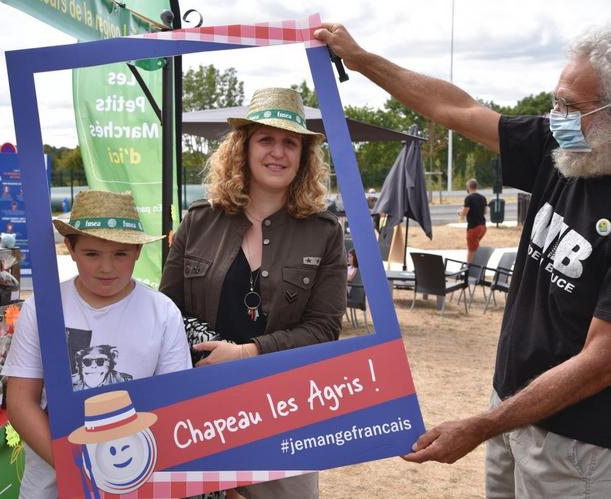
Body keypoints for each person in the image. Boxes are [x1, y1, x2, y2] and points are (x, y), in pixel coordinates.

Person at [315, 23, 611, 496]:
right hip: (512, 410)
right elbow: (455, 109)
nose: (556, 117)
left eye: (572, 108)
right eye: (556, 102)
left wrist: (482, 425)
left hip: (577, 446)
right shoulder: (563, 150)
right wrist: (361, 59)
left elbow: (601, 361)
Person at [160, 87, 347, 498]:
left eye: (290, 142)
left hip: (287, 410)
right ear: (242, 148)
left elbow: (323, 330)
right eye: (266, 139)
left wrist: (247, 353)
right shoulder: (198, 222)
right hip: (201, 411)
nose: (278, 152)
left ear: (303, 156)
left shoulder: (326, 232)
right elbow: (165, 313)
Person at [2, 190, 191, 498]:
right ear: (70, 249)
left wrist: (119, 473)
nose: (107, 267)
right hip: (51, 485)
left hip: (137, 481)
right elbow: (22, 402)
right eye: (92, 254)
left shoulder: (163, 312)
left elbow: (175, 404)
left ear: (138, 252)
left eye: (120, 254)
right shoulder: (43, 307)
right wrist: (76, 467)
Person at [459, 178, 488, 262]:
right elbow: (485, 212)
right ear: (476, 187)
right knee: (475, 247)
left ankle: (469, 269)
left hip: (473, 227)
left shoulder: (469, 198)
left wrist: (460, 214)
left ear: (468, 187)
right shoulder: (483, 197)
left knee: (471, 250)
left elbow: (464, 212)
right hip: (483, 226)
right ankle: (476, 265)